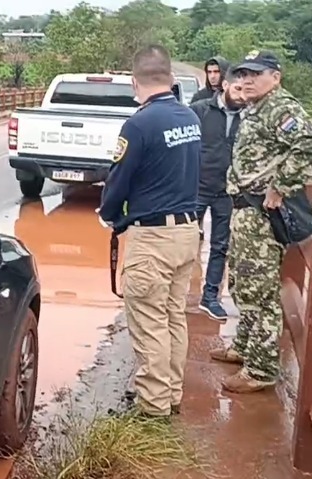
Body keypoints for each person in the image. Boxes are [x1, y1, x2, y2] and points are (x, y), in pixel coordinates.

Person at [213, 50, 312, 393]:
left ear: (275, 77)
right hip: (245, 211)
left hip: (261, 214)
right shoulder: (257, 107)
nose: (246, 80)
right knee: (242, 284)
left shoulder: (280, 108)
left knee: (260, 292)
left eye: (256, 74)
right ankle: (245, 348)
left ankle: (261, 370)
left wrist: (281, 186)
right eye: (243, 74)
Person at [99, 45, 202, 419]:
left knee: (150, 323)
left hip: (154, 239)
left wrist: (110, 215)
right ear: (171, 80)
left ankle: (153, 408)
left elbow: (119, 180)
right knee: (174, 317)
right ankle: (172, 394)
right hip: (187, 232)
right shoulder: (189, 117)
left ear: (134, 82)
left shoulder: (139, 124)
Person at [189, 67, 245, 322]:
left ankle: (211, 297)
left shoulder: (249, 118)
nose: (242, 95)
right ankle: (175, 295)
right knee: (184, 242)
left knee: (220, 246)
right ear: (225, 85)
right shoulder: (200, 110)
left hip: (227, 192)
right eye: (237, 89)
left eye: (246, 91)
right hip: (197, 187)